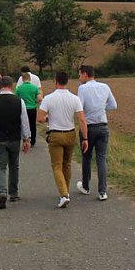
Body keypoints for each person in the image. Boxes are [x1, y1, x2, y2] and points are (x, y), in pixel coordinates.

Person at [38, 71, 88, 208]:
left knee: (56, 166)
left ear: (55, 81)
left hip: (55, 134)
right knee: (67, 164)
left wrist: (48, 118)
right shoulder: (75, 98)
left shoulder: (48, 98)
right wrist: (85, 138)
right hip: (70, 133)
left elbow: (40, 118)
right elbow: (82, 120)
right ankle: (65, 190)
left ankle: (64, 194)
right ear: (67, 82)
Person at [0, 76, 32, 208]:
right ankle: (13, 193)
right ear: (12, 86)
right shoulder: (19, 101)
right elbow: (24, 122)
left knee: (0, 167)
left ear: (0, 86)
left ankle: (2, 192)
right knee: (14, 165)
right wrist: (26, 138)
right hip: (14, 138)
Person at [76, 65, 118, 201]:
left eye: (80, 75)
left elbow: (79, 108)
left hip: (88, 127)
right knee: (101, 159)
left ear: (85, 74)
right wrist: (101, 108)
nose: (79, 77)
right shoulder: (105, 87)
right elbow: (113, 105)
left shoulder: (82, 88)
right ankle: (102, 191)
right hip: (103, 126)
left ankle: (86, 187)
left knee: (86, 158)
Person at [14, 71, 41, 147]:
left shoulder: (19, 88)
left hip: (23, 108)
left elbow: (16, 98)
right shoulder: (34, 87)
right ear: (30, 79)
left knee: (23, 124)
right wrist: (34, 101)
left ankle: (25, 139)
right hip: (32, 108)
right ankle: (33, 141)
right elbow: (39, 98)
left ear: (22, 79)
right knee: (32, 124)